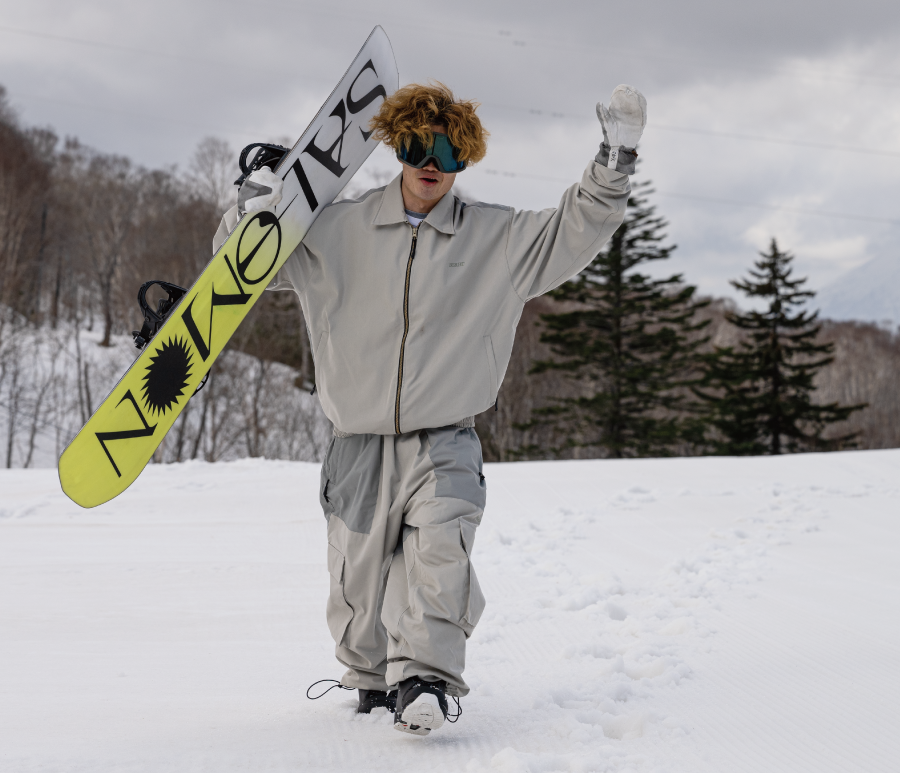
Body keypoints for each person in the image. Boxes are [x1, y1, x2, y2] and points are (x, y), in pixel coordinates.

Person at [213, 81, 646, 735]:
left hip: (446, 440)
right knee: (358, 589)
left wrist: (615, 159)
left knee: (440, 558)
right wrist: (256, 204)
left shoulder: (496, 239)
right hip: (356, 442)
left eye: (448, 150)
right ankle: (369, 681)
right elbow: (239, 263)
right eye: (419, 144)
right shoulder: (336, 229)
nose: (432, 161)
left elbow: (576, 227)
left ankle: (426, 679)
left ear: (464, 160)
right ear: (398, 147)